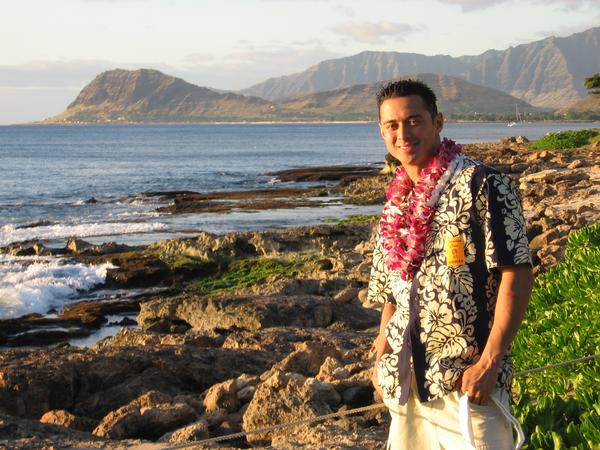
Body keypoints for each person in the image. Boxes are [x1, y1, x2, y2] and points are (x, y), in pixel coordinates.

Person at [368, 79, 534, 449]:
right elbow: (391, 292)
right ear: (381, 131)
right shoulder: (395, 203)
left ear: (438, 122)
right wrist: (381, 354)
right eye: (392, 125)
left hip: (467, 386)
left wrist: (489, 364)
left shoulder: (484, 185)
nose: (403, 134)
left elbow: (517, 274)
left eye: (414, 121)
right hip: (405, 386)